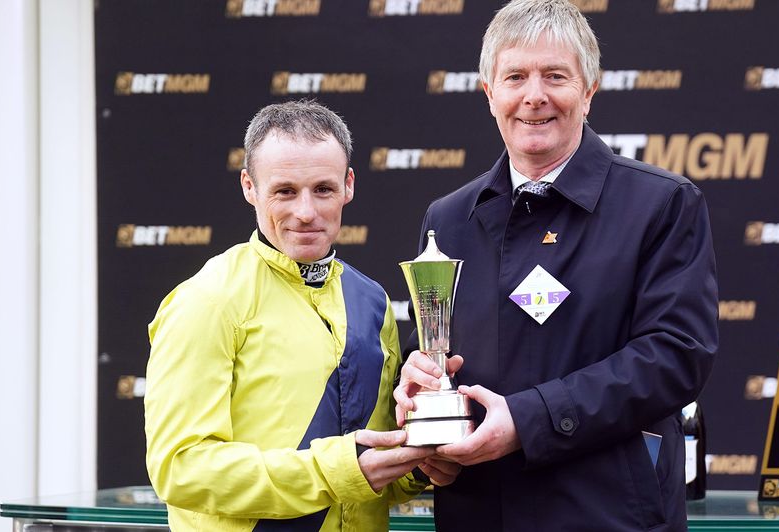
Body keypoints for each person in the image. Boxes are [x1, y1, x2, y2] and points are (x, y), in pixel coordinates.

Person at [394, 1, 719, 530]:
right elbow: (437, 351)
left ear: (588, 91)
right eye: (515, 76)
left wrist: (527, 421)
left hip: (610, 516)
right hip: (479, 513)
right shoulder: (448, 220)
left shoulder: (661, 204)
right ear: (489, 94)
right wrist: (421, 392)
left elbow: (675, 357)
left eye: (555, 76)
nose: (534, 95)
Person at [145, 100, 457, 532]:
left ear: (349, 185)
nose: (306, 212)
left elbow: (372, 470)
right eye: (285, 191)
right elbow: (180, 468)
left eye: (323, 189)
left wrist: (419, 463)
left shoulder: (371, 301)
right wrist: (338, 471)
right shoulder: (208, 299)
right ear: (249, 187)